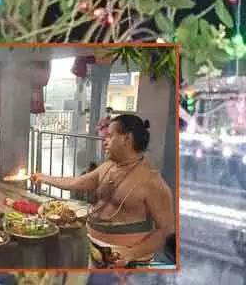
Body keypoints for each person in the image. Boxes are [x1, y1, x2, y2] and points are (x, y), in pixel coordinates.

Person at [31, 114, 174, 268]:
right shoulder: (108, 167)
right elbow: (76, 182)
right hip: (95, 253)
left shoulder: (151, 181)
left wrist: (131, 253)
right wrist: (44, 178)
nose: (104, 142)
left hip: (128, 262)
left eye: (110, 136)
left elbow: (166, 229)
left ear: (126, 139)